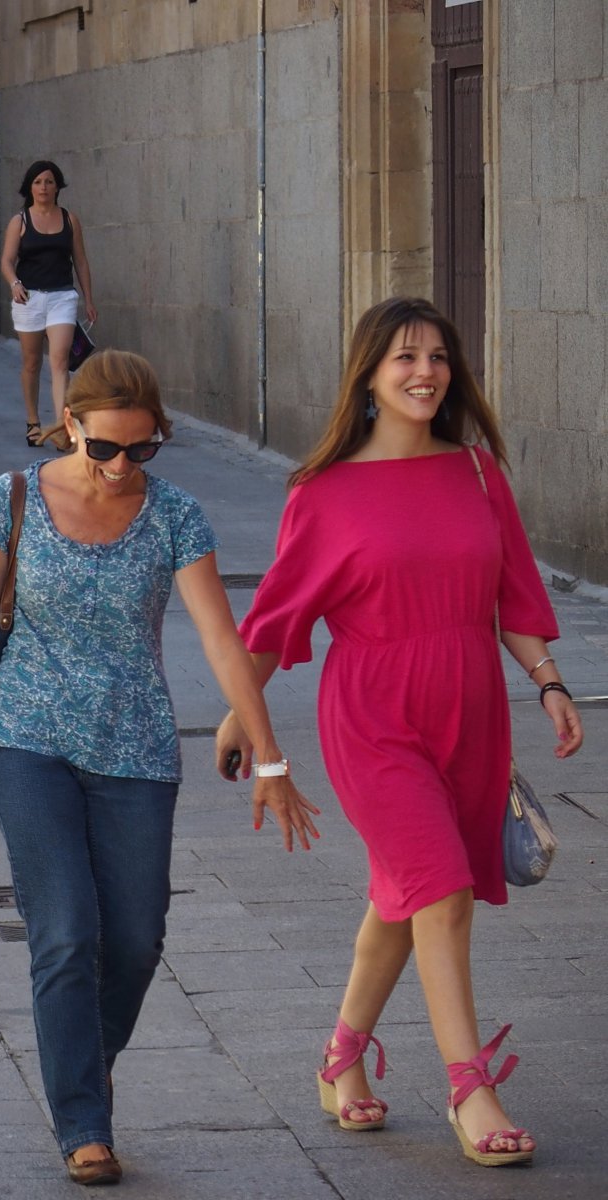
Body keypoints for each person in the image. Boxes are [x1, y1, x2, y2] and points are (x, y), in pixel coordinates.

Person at [0, 349, 320, 1186]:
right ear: (71, 425)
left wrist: (270, 758)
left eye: (142, 450)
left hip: (135, 744)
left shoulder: (174, 516)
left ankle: (83, 1067)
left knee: (134, 939)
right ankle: (84, 1124)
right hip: (25, 739)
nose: (122, 466)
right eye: (105, 450)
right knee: (65, 933)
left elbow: (218, 639)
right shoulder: (11, 499)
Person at [218, 297, 584, 1169]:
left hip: (469, 706)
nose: (426, 373)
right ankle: (470, 1086)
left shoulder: (480, 474)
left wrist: (550, 683)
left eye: (438, 358)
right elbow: (273, 622)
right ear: (369, 377)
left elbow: (514, 596)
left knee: (403, 895)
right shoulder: (323, 490)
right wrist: (242, 714)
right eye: (405, 358)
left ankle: (340, 1061)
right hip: (371, 712)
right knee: (442, 889)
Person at [0, 160, 97, 448]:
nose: (44, 187)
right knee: (31, 363)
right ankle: (32, 422)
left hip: (62, 296)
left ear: (58, 186)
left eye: (49, 181)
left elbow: (80, 260)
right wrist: (14, 284)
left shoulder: (69, 219)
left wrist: (89, 298)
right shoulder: (20, 221)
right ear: (30, 187)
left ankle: (61, 426)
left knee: (60, 360)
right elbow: (6, 260)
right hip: (29, 297)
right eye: (38, 182)